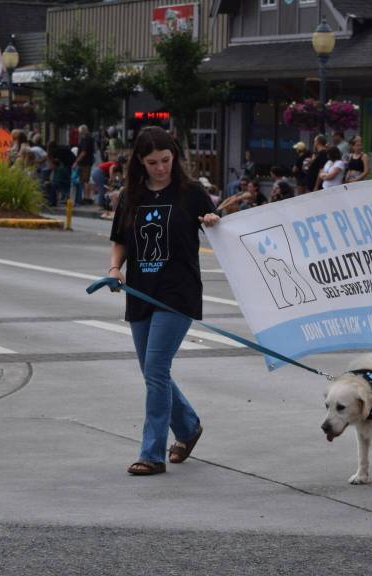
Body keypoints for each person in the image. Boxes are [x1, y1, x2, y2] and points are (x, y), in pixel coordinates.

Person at [106, 126, 219, 476]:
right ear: (140, 162)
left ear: (175, 157)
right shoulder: (131, 197)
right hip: (141, 290)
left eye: (166, 160)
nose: (161, 168)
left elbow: (217, 228)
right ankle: (187, 427)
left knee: (156, 369)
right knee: (151, 371)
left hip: (177, 293)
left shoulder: (191, 192)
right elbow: (121, 239)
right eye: (153, 162)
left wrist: (214, 221)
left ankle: (150, 453)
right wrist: (114, 269)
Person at [75, 125, 96, 204]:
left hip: (84, 162)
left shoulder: (85, 139)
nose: (79, 133)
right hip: (88, 161)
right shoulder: (90, 139)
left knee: (84, 180)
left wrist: (76, 161)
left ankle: (86, 198)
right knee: (86, 180)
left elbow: (83, 152)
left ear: (83, 131)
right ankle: (88, 197)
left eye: (79, 132)